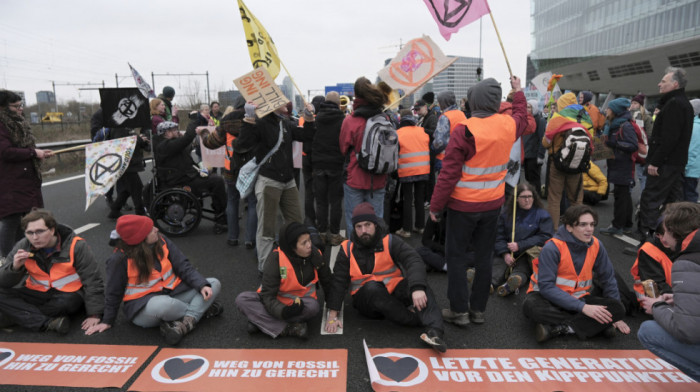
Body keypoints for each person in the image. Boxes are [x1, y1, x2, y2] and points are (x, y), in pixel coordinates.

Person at [429, 76, 529, 327]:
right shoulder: (508, 125)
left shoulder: (465, 129)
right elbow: (522, 116)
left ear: (473, 101)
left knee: (457, 257)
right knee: (485, 258)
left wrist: (436, 206)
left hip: (462, 206)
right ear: (495, 101)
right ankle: (478, 310)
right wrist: (518, 91)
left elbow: (449, 174)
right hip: (493, 204)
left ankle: (459, 310)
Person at [324, 203, 447, 353]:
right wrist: (332, 313)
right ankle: (415, 320)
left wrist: (417, 288)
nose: (364, 231)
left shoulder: (389, 241)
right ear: (354, 228)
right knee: (372, 288)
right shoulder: (346, 248)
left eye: (367, 225)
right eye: (359, 227)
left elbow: (413, 259)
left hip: (393, 290)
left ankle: (435, 333)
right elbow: (339, 281)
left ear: (375, 225)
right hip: (367, 300)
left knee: (419, 283)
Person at [84, 215, 221, 344]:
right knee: (165, 305)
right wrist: (107, 321)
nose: (156, 229)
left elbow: (184, 266)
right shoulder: (119, 260)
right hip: (145, 307)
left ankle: (185, 323)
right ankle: (199, 311)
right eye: (150, 230)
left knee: (213, 283)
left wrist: (201, 285)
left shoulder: (162, 240)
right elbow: (113, 292)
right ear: (140, 238)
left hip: (175, 294)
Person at [522, 205, 630, 342]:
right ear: (569, 227)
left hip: (580, 298)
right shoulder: (552, 248)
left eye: (592, 224)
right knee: (532, 308)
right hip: (547, 298)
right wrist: (583, 308)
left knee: (618, 308)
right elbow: (547, 288)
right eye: (583, 225)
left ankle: (562, 328)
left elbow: (608, 279)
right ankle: (596, 325)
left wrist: (616, 316)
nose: (589, 229)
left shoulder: (596, 245)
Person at [0, 209, 104, 333]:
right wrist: (15, 267)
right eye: (29, 233)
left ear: (52, 230)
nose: (35, 237)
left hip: (69, 294)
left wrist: (95, 314)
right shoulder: (23, 245)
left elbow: (92, 279)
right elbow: (4, 282)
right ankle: (47, 322)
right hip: (37, 291)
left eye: (40, 231)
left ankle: (14, 316)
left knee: (66, 304)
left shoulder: (76, 245)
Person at [638, 202, 700, 382]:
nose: (663, 237)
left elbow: (688, 331)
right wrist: (679, 298)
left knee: (647, 331)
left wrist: (657, 306)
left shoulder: (687, 263)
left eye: (664, 231)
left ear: (674, 232)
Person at [236, 222, 332, 338]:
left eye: (309, 240)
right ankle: (290, 328)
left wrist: (333, 311)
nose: (309, 245)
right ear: (292, 247)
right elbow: (267, 296)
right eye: (304, 243)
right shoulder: (275, 260)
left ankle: (261, 322)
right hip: (274, 303)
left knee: (313, 307)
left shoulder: (315, 254)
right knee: (242, 299)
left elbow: (328, 282)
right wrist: (283, 311)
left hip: (301, 303)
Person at [243, 102, 306, 273]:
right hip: (269, 181)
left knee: (296, 222)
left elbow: (307, 135)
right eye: (282, 102)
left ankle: (295, 261)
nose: (287, 104)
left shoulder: (285, 122)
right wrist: (249, 118)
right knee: (267, 229)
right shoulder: (262, 123)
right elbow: (243, 144)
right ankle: (265, 268)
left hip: (288, 180)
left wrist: (309, 117)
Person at [638, 67, 694, 243]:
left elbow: (669, 138)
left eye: (663, 81)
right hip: (676, 163)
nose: (659, 84)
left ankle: (647, 240)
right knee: (672, 203)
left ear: (675, 84)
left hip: (665, 163)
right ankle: (669, 239)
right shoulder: (683, 103)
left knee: (651, 200)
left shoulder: (674, 104)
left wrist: (655, 162)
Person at [0, 90, 52, 259]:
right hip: (9, 181)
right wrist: (32, 153)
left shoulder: (15, 123)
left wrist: (38, 153)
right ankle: (8, 260)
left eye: (20, 105)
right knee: (11, 219)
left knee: (23, 219)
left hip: (21, 179)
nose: (20, 109)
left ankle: (22, 256)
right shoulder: (2, 124)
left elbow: (20, 149)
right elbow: (5, 151)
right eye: (15, 106)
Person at [200, 97, 258, 248]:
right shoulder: (256, 120)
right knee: (252, 203)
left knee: (232, 201)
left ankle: (232, 237)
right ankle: (250, 240)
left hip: (231, 169)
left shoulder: (225, 122)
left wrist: (204, 132)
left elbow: (210, 143)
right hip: (251, 170)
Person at [340, 77, 391, 237]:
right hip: (378, 177)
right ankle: (377, 257)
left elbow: (343, 148)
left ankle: (355, 256)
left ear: (356, 95)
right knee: (376, 221)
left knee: (354, 221)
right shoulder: (384, 118)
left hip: (355, 177)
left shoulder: (351, 121)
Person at [154, 121, 227, 228]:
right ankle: (220, 215)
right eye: (174, 130)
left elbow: (185, 146)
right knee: (217, 181)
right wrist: (194, 121)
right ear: (166, 133)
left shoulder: (170, 144)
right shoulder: (165, 145)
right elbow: (186, 139)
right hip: (181, 180)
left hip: (184, 176)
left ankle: (220, 211)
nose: (177, 131)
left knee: (214, 177)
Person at [542, 92, 593, 229]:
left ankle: (553, 230)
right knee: (576, 199)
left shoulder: (557, 118)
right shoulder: (585, 117)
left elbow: (545, 143)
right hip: (577, 164)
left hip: (557, 163)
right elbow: (592, 140)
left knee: (554, 199)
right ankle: (578, 228)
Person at [492, 183, 553, 296]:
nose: (527, 200)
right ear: (516, 199)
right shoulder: (506, 214)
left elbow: (545, 236)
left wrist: (520, 245)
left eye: (530, 196)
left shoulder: (542, 215)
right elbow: (499, 236)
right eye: (524, 197)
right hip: (508, 249)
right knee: (499, 264)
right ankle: (490, 283)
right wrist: (505, 254)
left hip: (528, 252)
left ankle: (510, 285)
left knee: (522, 268)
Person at [310, 92, 346, 246]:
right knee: (336, 202)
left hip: (318, 164)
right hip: (336, 165)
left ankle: (322, 233)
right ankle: (335, 234)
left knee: (321, 201)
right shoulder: (343, 120)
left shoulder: (316, 119)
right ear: (339, 104)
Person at [599, 98, 638, 236]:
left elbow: (633, 145)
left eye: (609, 108)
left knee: (620, 197)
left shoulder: (624, 126)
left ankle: (617, 226)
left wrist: (613, 145)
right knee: (624, 196)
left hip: (623, 166)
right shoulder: (614, 124)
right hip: (618, 164)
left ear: (615, 111)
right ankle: (627, 224)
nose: (606, 110)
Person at [395, 109, 429, 238]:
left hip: (407, 169)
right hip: (423, 169)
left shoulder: (398, 133)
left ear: (402, 119)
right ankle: (420, 227)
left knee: (407, 199)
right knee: (419, 199)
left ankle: (406, 229)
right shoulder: (422, 131)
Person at [107, 127, 151, 219]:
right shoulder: (119, 128)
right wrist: (139, 139)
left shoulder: (126, 127)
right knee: (137, 188)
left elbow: (132, 140)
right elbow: (122, 143)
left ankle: (115, 210)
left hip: (129, 164)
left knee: (126, 190)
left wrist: (141, 139)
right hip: (125, 164)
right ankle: (140, 212)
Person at [630, 217, 674, 304]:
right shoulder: (649, 251)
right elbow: (654, 286)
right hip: (652, 299)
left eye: (669, 235)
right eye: (659, 234)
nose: (663, 239)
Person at [431, 90, 467, 173]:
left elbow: (439, 142)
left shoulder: (445, 117)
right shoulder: (461, 114)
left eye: (439, 102)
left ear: (444, 102)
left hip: (445, 159)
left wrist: (432, 148)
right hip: (460, 157)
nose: (438, 104)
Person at [414, 98, 439, 207]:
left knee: (430, 178)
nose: (417, 112)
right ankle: (426, 199)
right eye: (416, 110)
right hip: (425, 152)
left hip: (430, 152)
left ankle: (430, 200)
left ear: (425, 107)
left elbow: (434, 133)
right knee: (426, 177)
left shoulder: (432, 117)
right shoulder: (424, 118)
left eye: (418, 109)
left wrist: (420, 130)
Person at [630, 94, 654, 192]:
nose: (633, 105)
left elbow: (650, 133)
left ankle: (643, 197)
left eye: (635, 103)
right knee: (629, 173)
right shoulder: (628, 115)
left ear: (640, 105)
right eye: (632, 103)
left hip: (641, 148)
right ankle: (628, 194)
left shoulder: (646, 117)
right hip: (631, 147)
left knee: (641, 175)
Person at [523, 100, 547, 194]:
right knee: (528, 178)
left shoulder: (540, 120)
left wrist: (540, 156)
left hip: (534, 155)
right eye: (526, 107)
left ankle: (536, 200)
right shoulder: (526, 119)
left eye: (529, 107)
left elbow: (543, 139)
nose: (527, 109)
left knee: (534, 180)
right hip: (526, 154)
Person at [682, 99, 700, 203]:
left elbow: (692, 149)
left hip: (690, 169)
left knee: (688, 196)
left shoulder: (695, 126)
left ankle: (691, 218)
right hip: (694, 168)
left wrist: (685, 167)